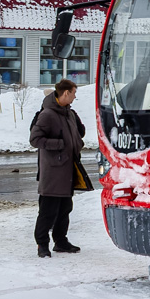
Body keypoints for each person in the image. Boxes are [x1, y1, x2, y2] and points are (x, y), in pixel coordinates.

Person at [29, 78, 86, 257]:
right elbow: (35, 140)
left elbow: (78, 132)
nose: (75, 97)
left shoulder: (68, 113)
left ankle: (61, 241)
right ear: (66, 93)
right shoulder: (47, 114)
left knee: (65, 208)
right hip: (53, 171)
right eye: (74, 93)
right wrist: (60, 144)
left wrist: (77, 140)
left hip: (68, 167)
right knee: (48, 210)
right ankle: (42, 244)